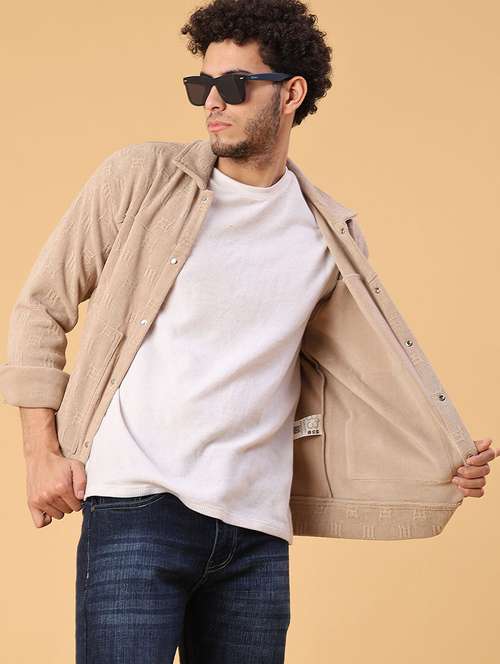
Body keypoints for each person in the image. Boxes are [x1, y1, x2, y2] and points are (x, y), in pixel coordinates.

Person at [1, 1, 496, 663]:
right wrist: (40, 453)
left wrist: (441, 458)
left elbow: (360, 382)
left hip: (256, 533)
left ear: (291, 94)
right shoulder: (141, 180)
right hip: (136, 509)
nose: (213, 101)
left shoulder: (329, 237)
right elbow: (41, 307)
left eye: (234, 85)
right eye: (202, 84)